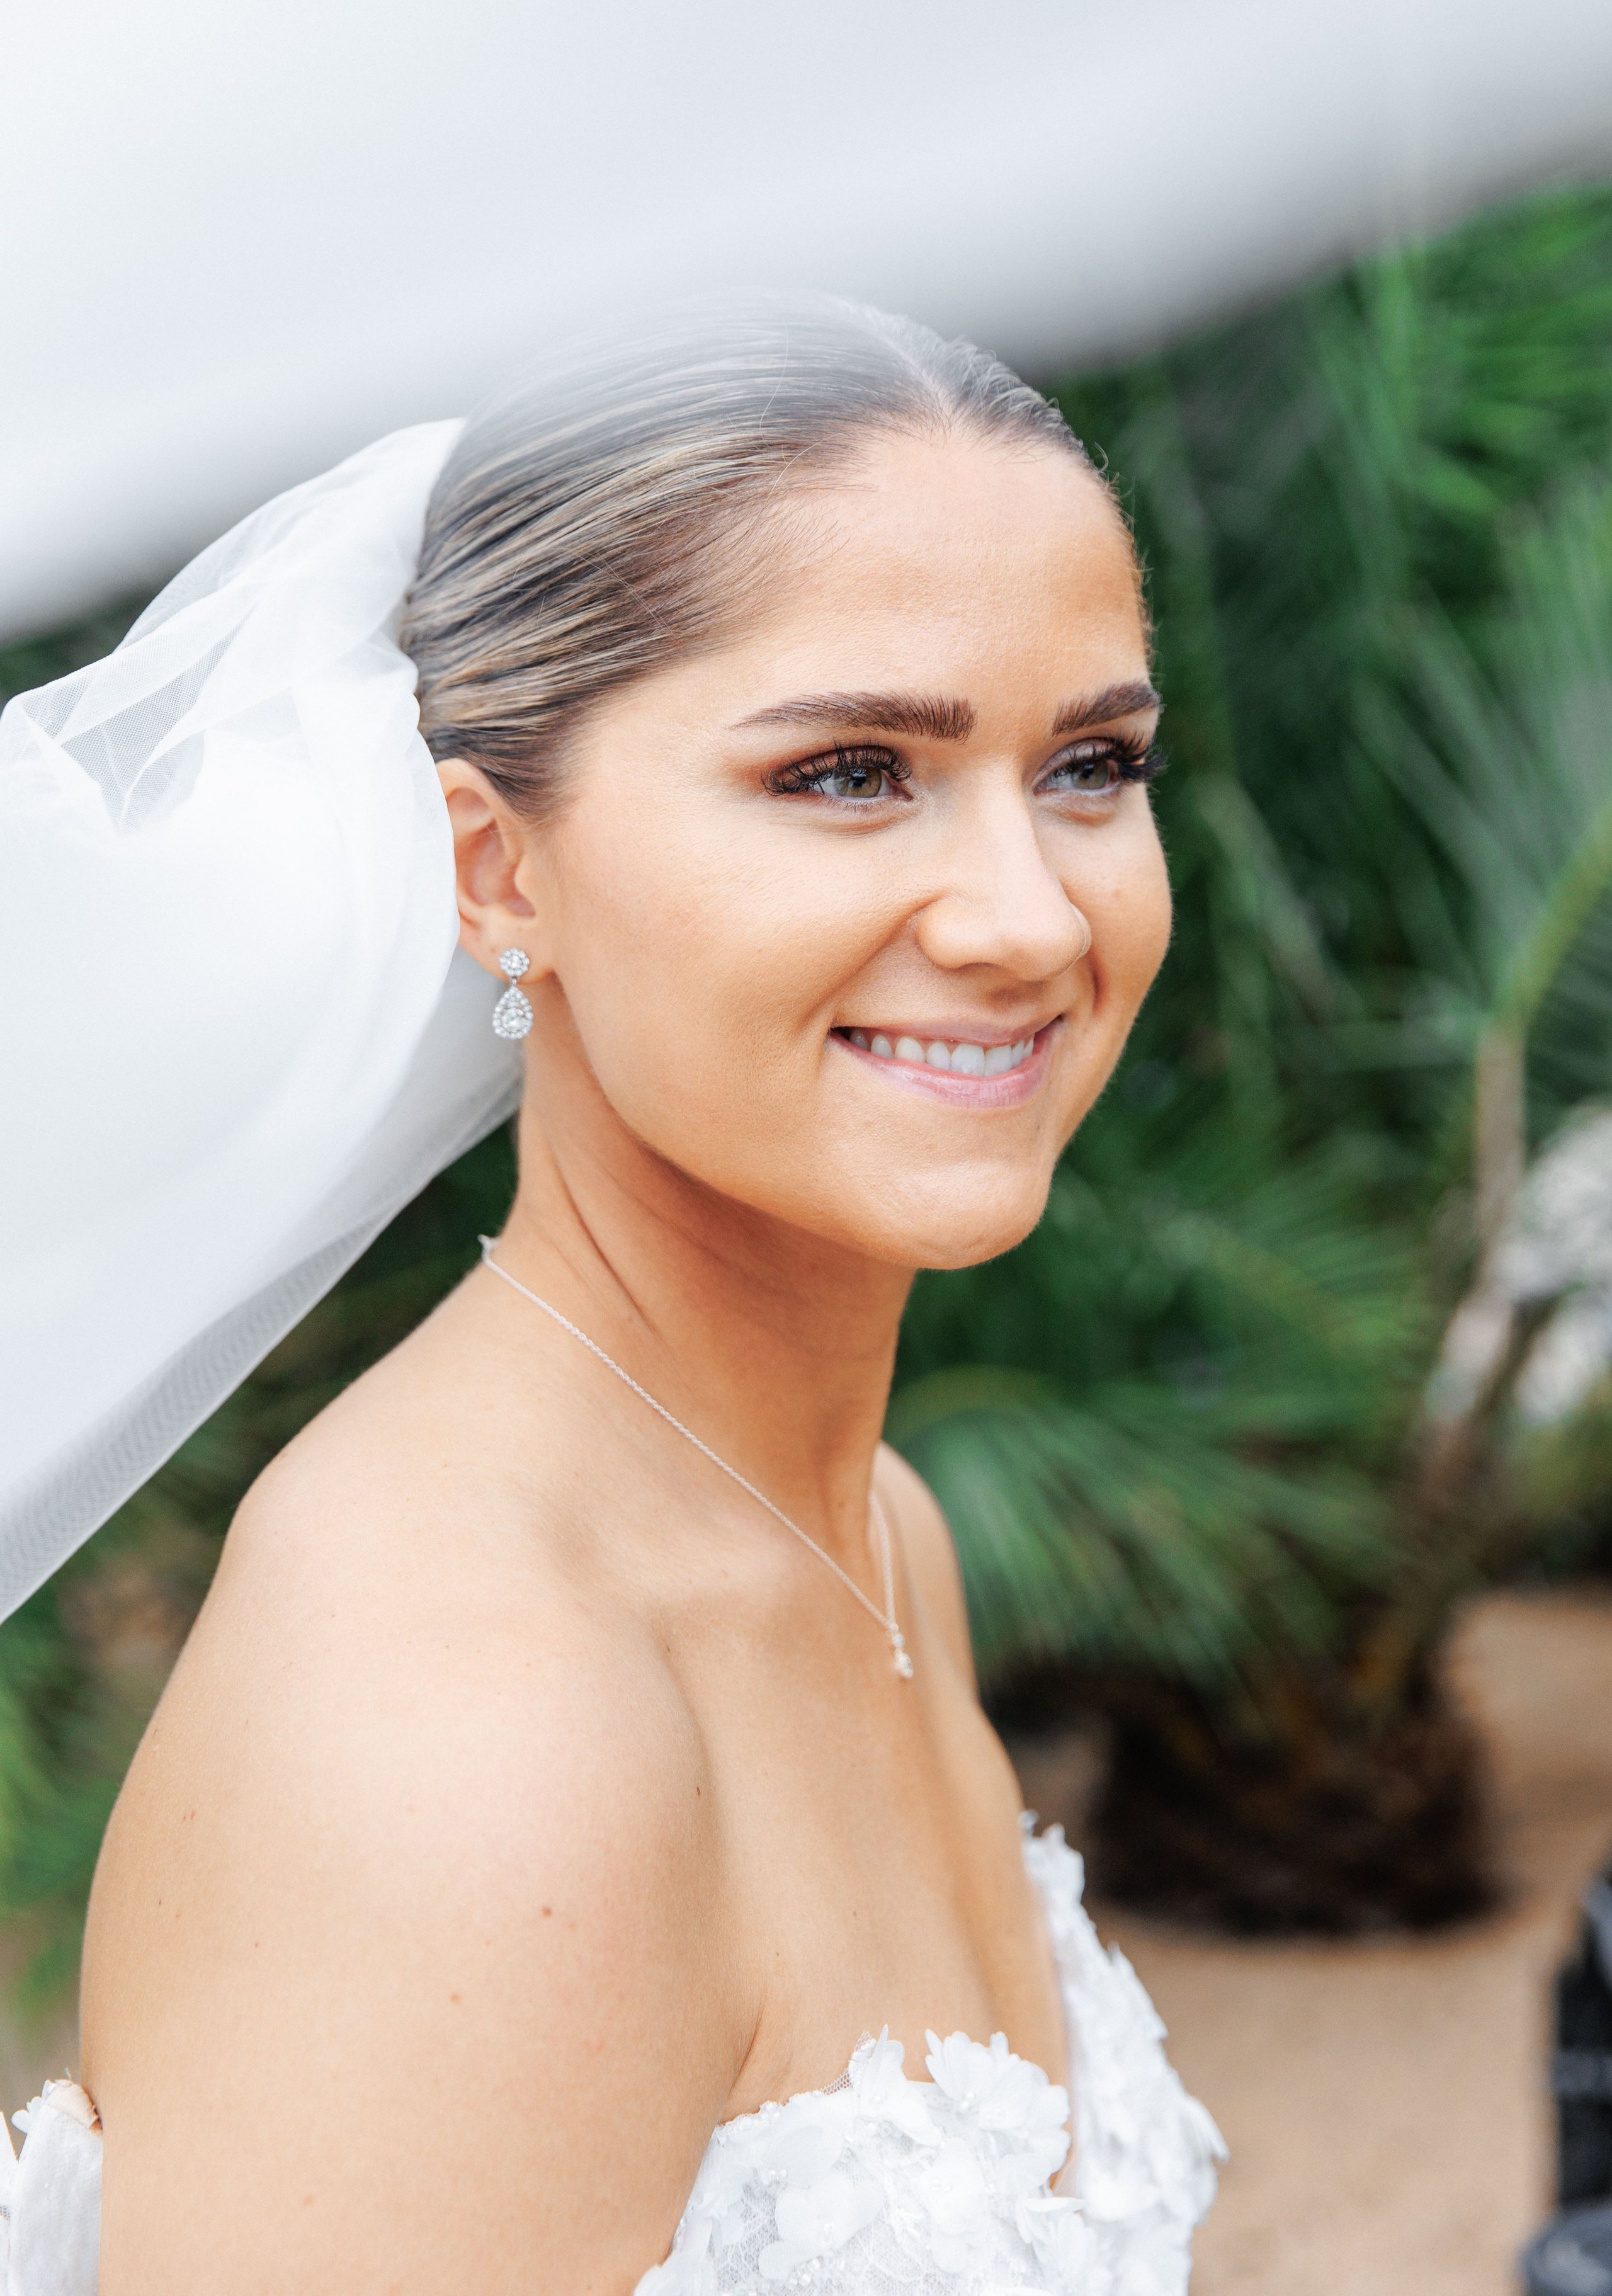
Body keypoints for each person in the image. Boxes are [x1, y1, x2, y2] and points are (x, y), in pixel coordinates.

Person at [0, 300, 1223, 2291]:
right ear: (498, 872)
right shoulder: (457, 1727)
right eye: (849, 771)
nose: (1026, 916)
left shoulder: (870, 1534)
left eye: (1091, 763)